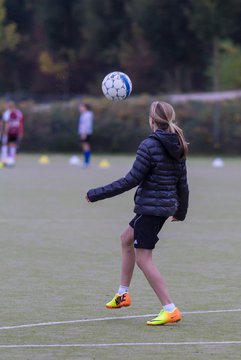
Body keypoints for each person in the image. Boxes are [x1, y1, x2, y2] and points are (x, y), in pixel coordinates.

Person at [86, 100, 189, 326]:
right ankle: (123, 294)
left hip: (151, 208)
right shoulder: (178, 142)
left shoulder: (149, 145)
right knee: (126, 238)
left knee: (143, 257)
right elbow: (183, 183)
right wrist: (181, 210)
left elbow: (131, 180)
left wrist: (96, 194)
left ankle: (169, 308)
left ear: (151, 120)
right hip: (162, 206)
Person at [0, 101, 24, 166]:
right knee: (6, 144)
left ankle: (10, 159)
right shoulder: (7, 113)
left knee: (11, 144)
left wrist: (21, 132)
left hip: (13, 132)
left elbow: (20, 123)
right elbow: (5, 123)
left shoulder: (18, 113)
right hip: (9, 132)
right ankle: (5, 159)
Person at [78, 103, 94, 168]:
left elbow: (87, 125)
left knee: (86, 147)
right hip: (83, 132)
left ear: (85, 107)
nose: (80, 108)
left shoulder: (88, 115)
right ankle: (86, 162)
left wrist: (84, 133)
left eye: (82, 107)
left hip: (86, 133)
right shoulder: (83, 115)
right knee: (85, 147)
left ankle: (86, 162)